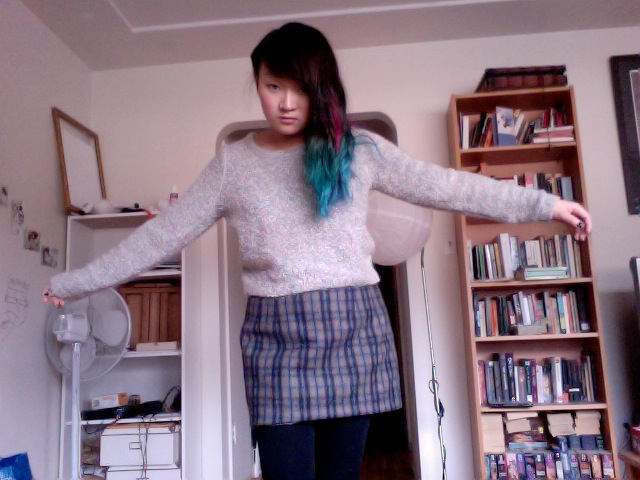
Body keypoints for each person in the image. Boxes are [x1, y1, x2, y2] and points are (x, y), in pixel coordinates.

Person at [43, 22, 591, 480]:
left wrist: (543, 204)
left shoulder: (357, 149)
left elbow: (445, 185)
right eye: (273, 85)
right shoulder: (234, 165)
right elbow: (162, 234)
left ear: (322, 89)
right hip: (276, 342)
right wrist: (74, 283)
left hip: (353, 331)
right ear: (257, 83)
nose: (286, 103)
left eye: (300, 89)